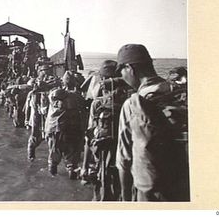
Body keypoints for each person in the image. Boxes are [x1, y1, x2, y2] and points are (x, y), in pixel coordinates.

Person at [115, 44, 189, 201]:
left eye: (121, 70)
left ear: (129, 68)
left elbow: (123, 160)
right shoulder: (180, 92)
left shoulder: (133, 104)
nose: (122, 76)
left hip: (150, 193)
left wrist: (125, 198)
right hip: (184, 186)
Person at [80, 60, 131, 201]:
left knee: (103, 195)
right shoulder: (133, 101)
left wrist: (85, 167)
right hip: (127, 162)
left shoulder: (98, 103)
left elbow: (89, 138)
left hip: (104, 161)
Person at [45, 71, 86, 179]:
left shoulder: (54, 95)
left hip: (56, 130)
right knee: (72, 160)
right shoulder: (77, 97)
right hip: (73, 130)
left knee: (54, 157)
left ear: (63, 83)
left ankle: (52, 178)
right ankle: (72, 179)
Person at [24, 64, 60, 161]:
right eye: (44, 70)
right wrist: (27, 120)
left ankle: (51, 161)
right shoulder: (33, 88)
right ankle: (31, 157)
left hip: (48, 115)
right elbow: (28, 106)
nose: (46, 73)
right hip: (37, 114)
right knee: (35, 136)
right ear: (40, 72)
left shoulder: (52, 86)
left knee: (50, 137)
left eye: (48, 70)